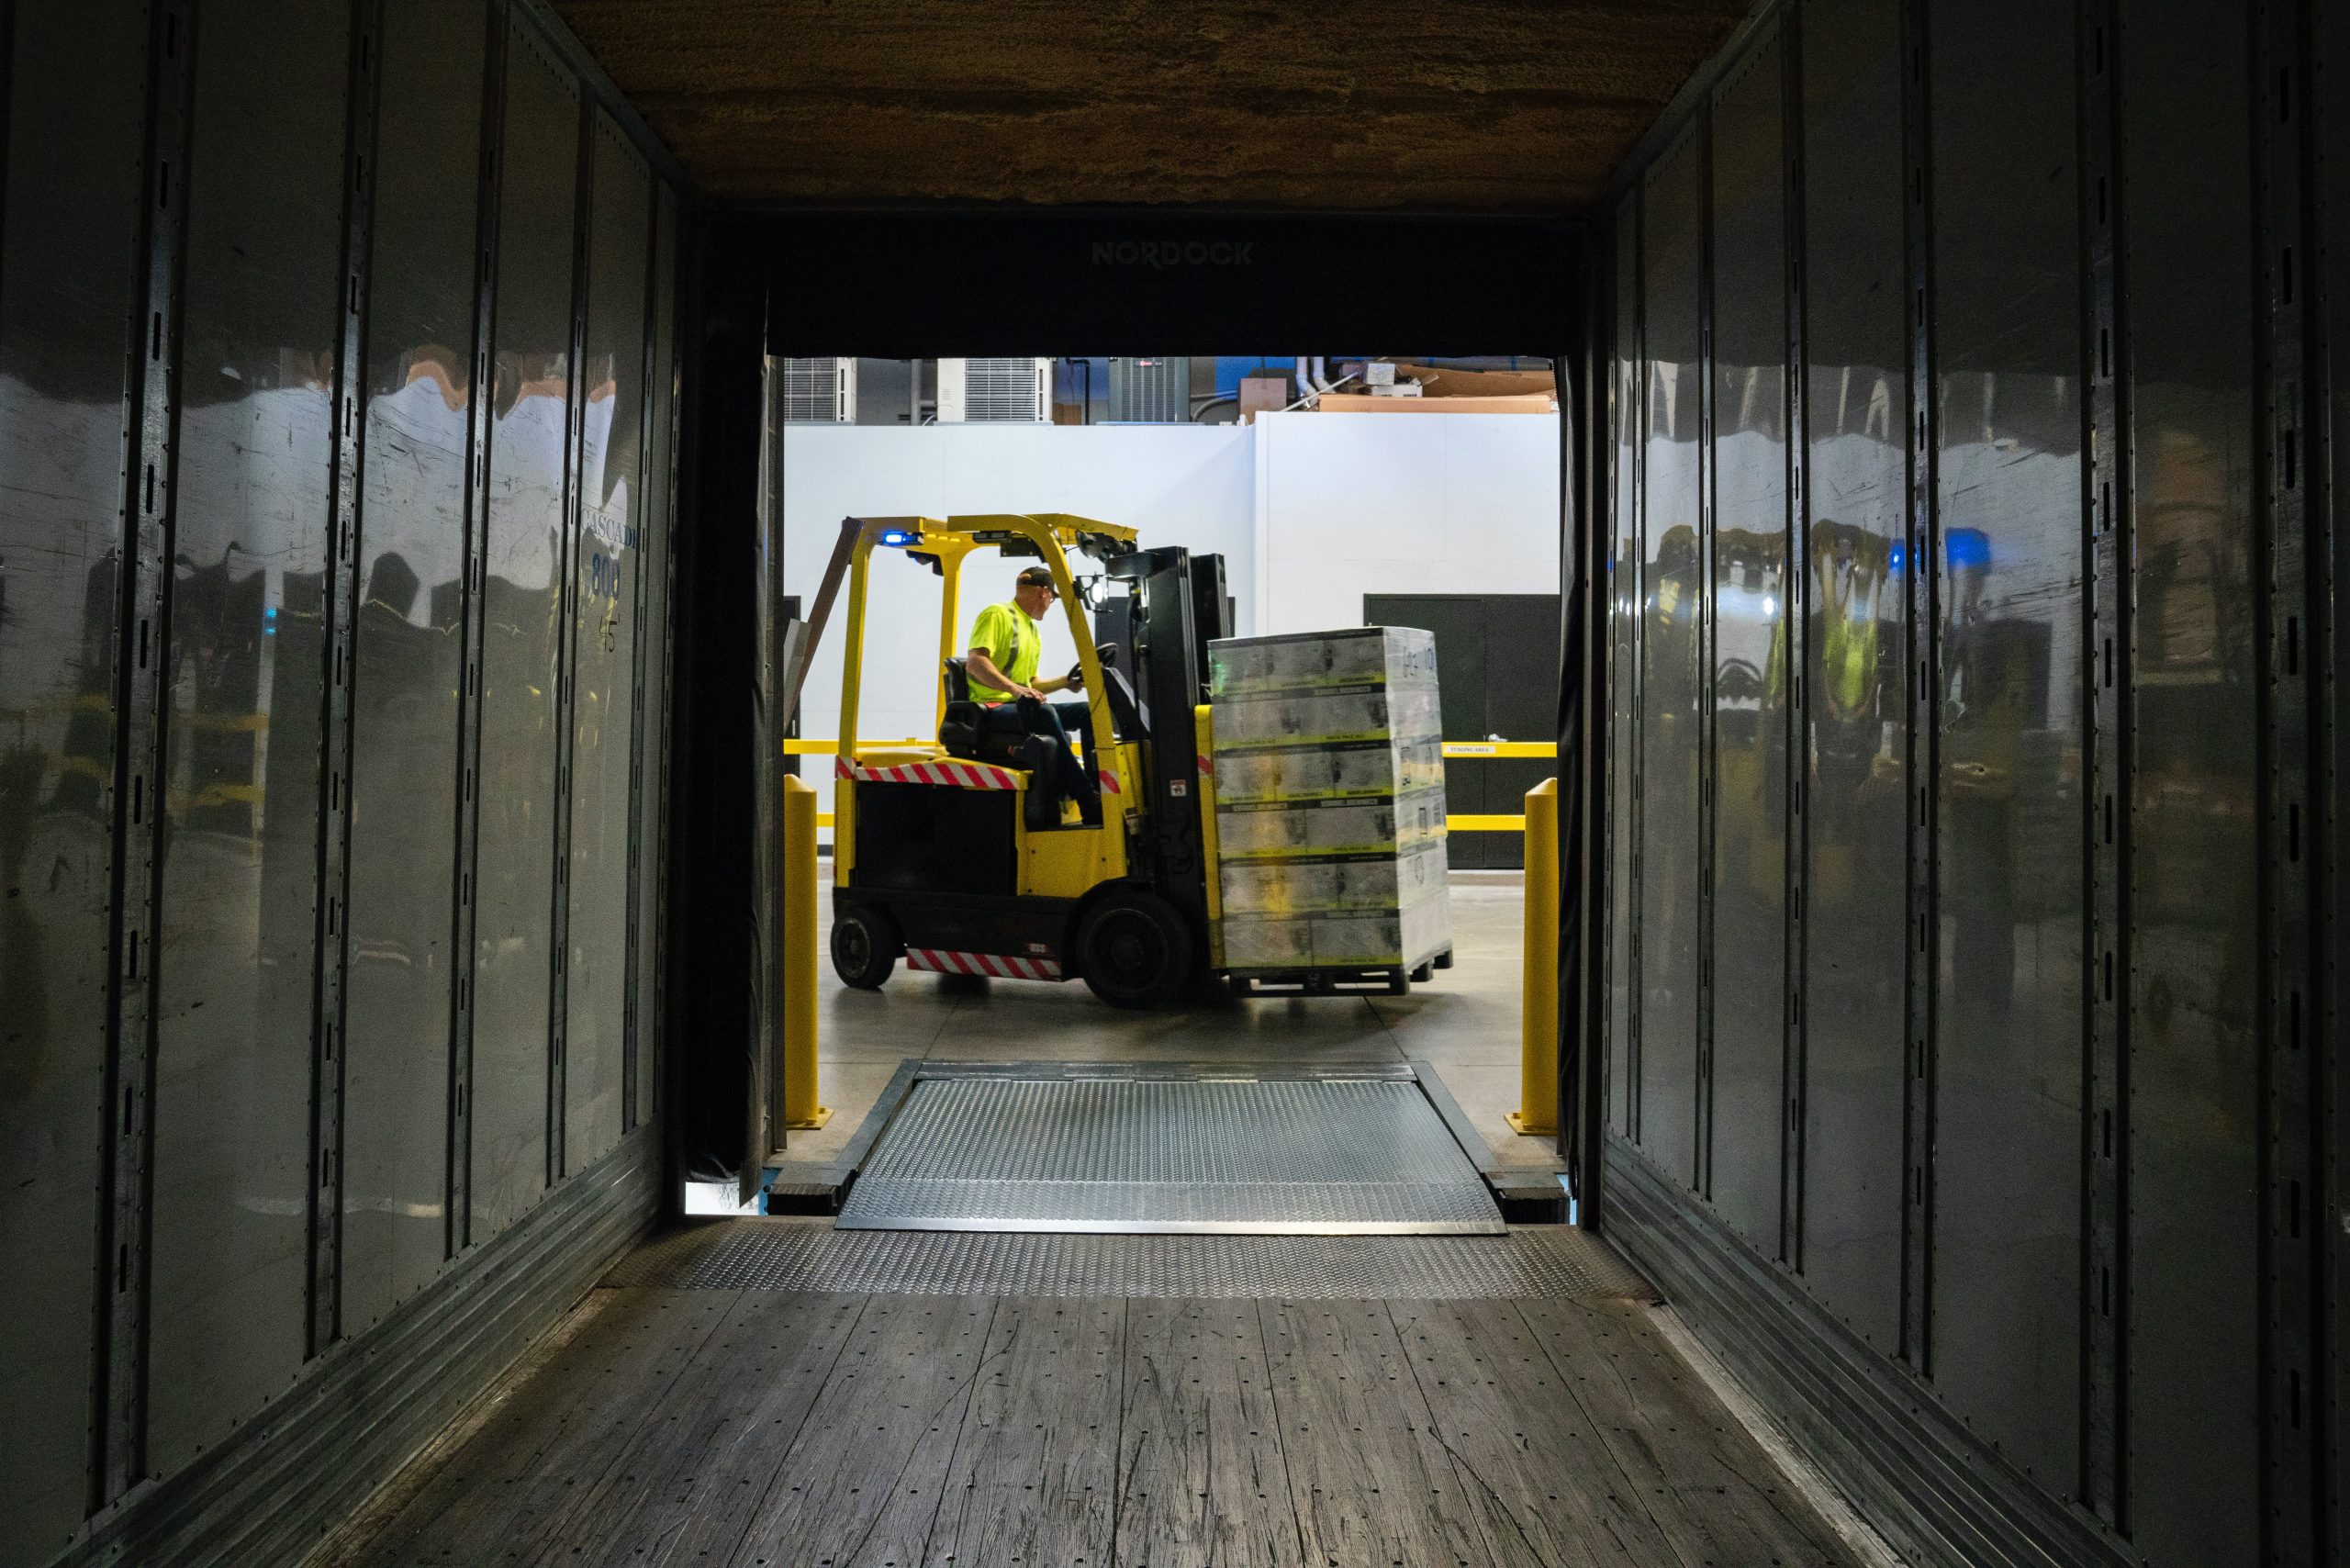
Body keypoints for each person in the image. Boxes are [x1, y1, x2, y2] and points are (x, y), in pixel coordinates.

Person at [964, 565, 1078, 702]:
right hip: (991, 704)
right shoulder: (996, 614)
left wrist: (1065, 682)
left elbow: (1030, 684)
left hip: (1019, 704)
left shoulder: (1032, 629)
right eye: (1052, 598)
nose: (1049, 605)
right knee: (1046, 715)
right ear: (1045, 593)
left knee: (1084, 711)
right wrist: (1014, 689)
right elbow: (975, 662)